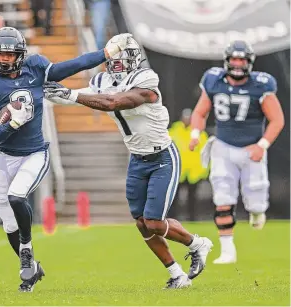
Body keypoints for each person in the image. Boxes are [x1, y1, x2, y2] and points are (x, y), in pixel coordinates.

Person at [0, 27, 131, 292]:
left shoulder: (35, 68)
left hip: (34, 153)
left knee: (16, 197)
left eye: (10, 55)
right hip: (5, 156)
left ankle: (26, 250)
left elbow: (72, 66)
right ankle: (31, 269)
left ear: (20, 55)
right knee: (8, 222)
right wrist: (11, 126)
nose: (5, 59)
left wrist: (104, 53)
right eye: (1, 54)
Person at [44, 36, 213, 289]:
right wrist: (45, 92)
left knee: (155, 221)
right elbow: (81, 95)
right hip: (137, 158)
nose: (117, 63)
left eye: (122, 57)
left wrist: (70, 95)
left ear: (134, 58)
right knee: (142, 224)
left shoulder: (146, 79)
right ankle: (177, 275)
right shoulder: (102, 80)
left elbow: (114, 102)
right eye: (113, 57)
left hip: (162, 158)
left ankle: (197, 244)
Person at [188, 40, 285, 264]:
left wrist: (262, 145)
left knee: (256, 197)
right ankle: (228, 251)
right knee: (222, 195)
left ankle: (257, 211)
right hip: (223, 146)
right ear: (227, 60)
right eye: (235, 59)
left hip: (252, 148)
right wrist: (195, 133)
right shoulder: (214, 79)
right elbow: (200, 112)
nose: (238, 63)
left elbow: (277, 119)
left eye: (242, 59)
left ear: (249, 61)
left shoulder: (261, 84)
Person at [168, 108, 209, 220]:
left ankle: (192, 218)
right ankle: (172, 218)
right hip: (178, 170)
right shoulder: (174, 131)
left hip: (193, 171)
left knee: (192, 197)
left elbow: (205, 154)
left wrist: (204, 170)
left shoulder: (199, 133)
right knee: (173, 197)